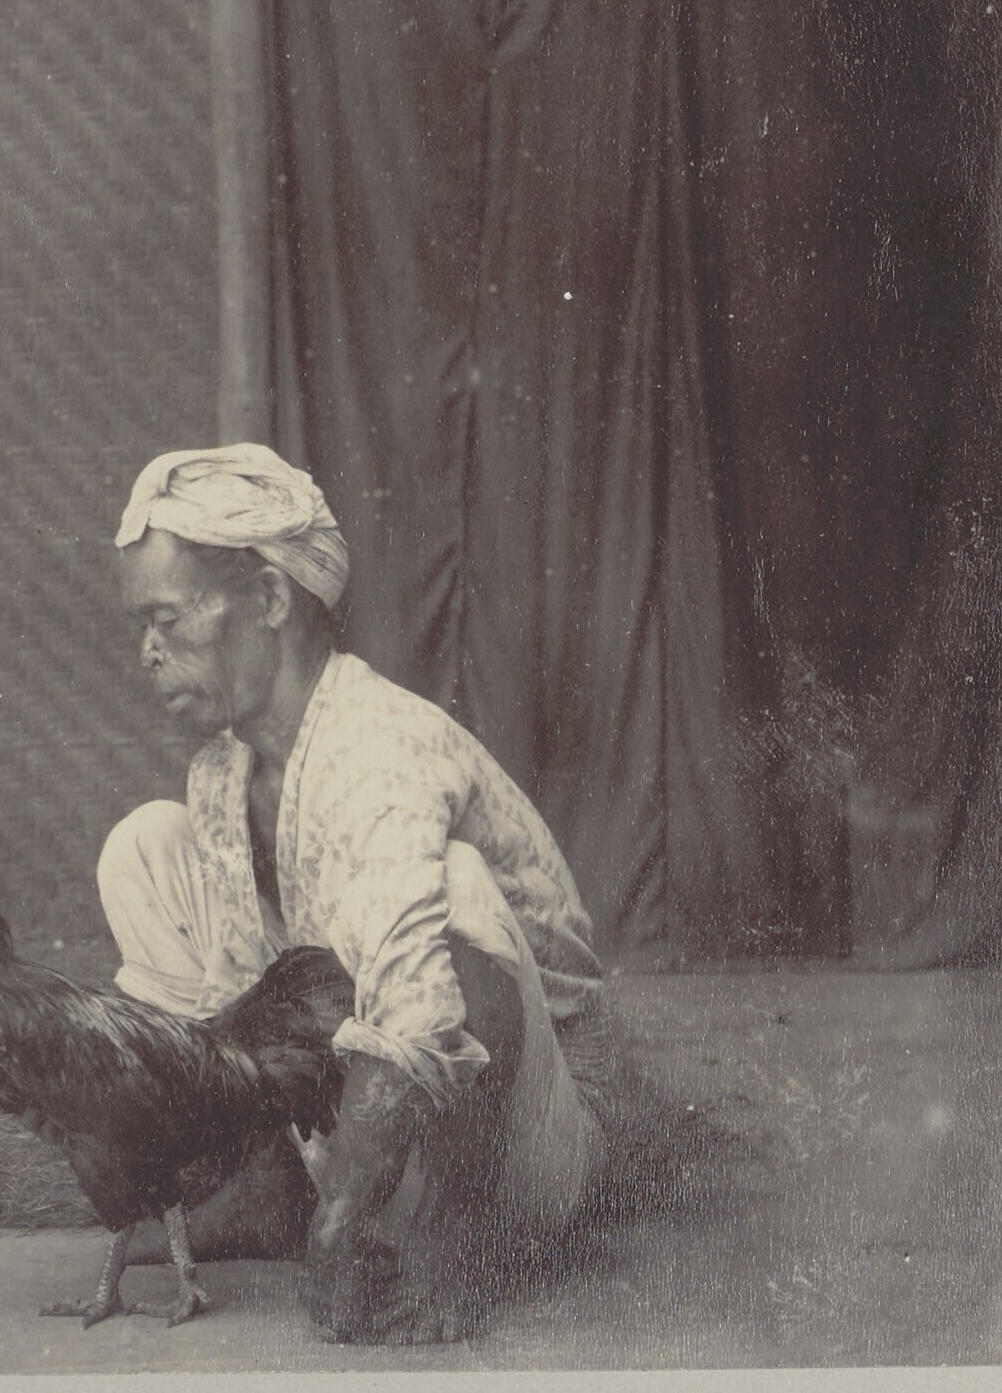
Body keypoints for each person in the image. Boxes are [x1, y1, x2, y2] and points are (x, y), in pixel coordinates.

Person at [97, 443, 618, 1344]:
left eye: (168, 619)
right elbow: (246, 993)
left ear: (269, 598)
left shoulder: (381, 746)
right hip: (382, 1099)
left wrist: (341, 1223)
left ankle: (460, 1241)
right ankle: (276, 1195)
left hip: (526, 1131)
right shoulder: (221, 771)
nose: (148, 651)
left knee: (455, 884)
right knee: (145, 846)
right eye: (140, 625)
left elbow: (423, 1005)